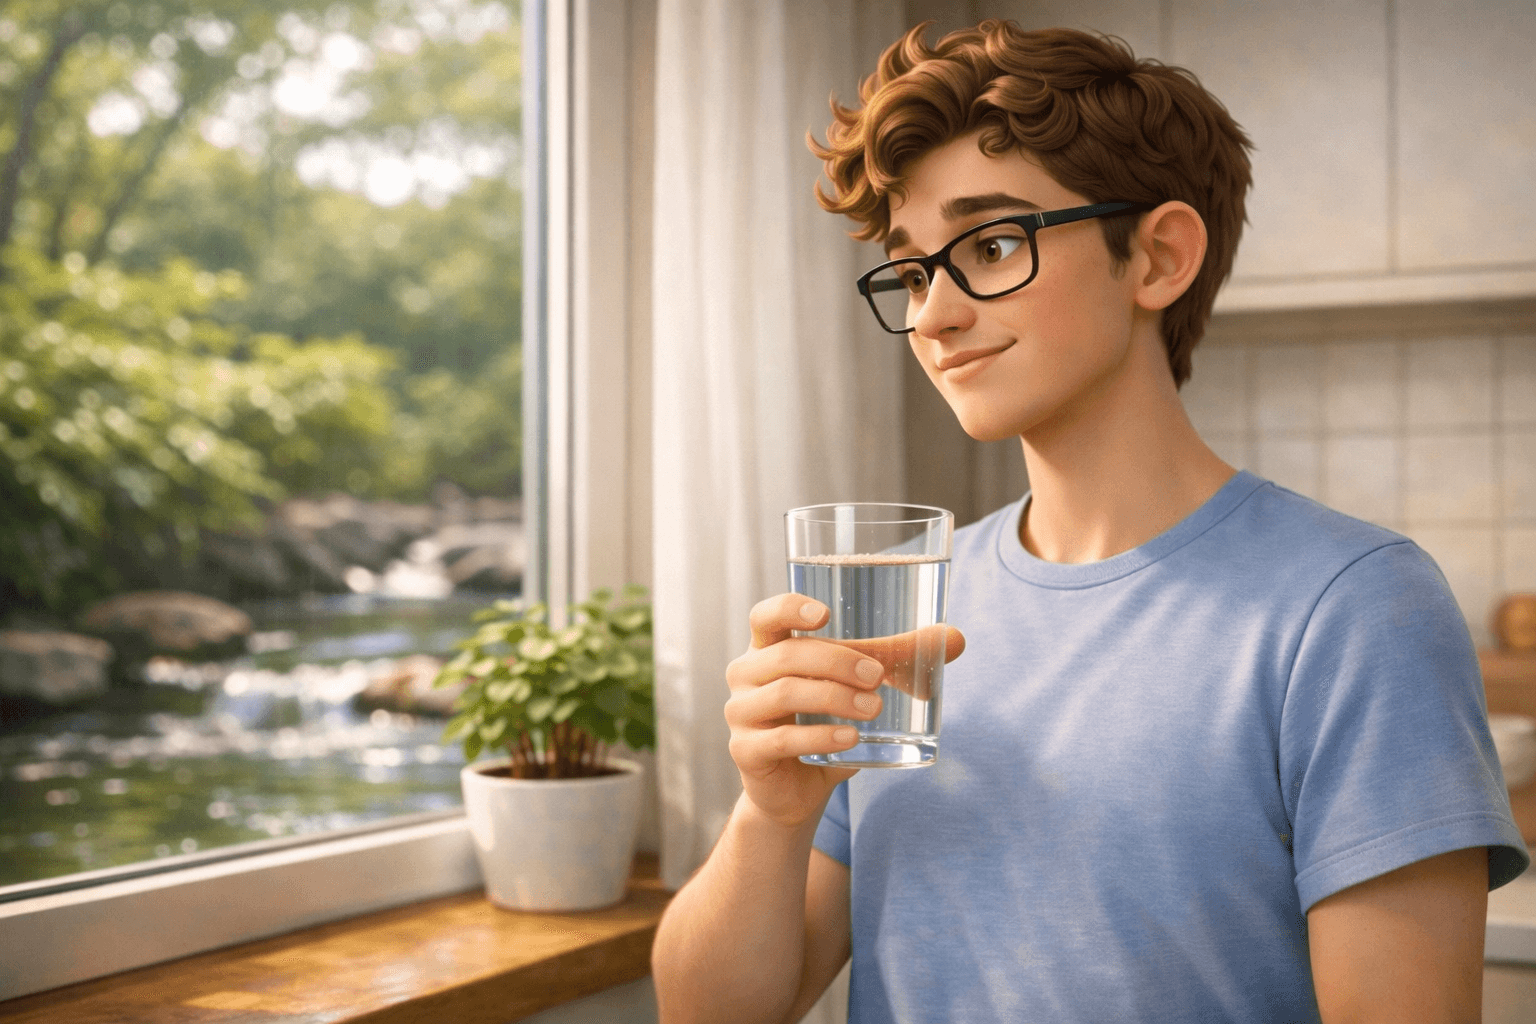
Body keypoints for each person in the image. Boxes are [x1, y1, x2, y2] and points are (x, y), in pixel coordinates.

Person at [651, 20, 1528, 1024]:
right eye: (912, 270)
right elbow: (707, 1013)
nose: (933, 315)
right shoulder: (899, 612)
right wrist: (772, 809)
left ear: (1157, 257)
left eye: (989, 244)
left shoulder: (1353, 606)